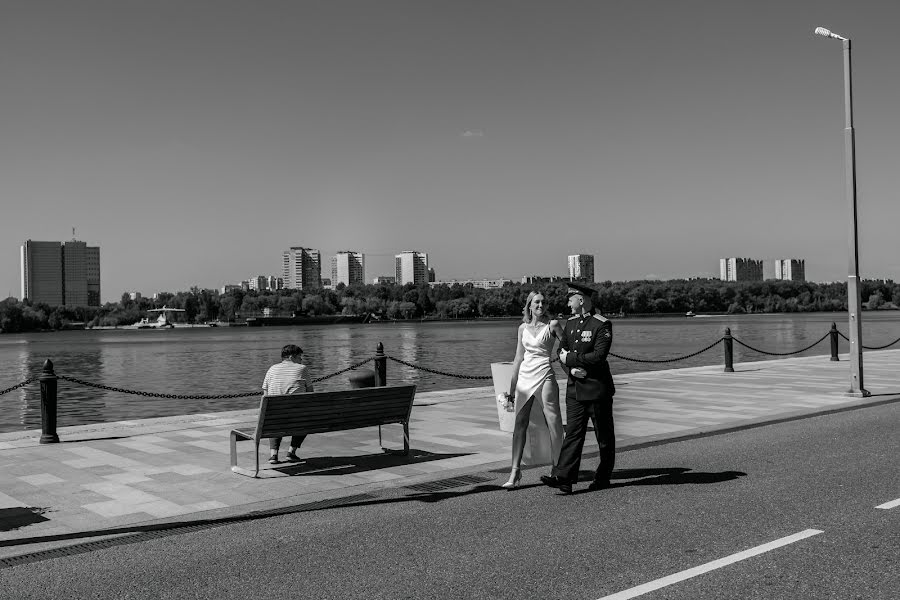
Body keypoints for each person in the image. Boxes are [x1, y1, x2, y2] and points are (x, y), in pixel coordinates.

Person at [541, 282, 616, 494]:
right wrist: (571, 370)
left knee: (604, 437)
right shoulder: (571, 323)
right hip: (575, 388)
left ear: (580, 300)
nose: (567, 303)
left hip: (596, 388)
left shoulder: (602, 324)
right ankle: (564, 478)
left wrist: (572, 359)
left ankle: (603, 477)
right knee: (573, 434)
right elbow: (561, 351)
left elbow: (599, 356)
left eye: (570, 299)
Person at [500, 291, 565, 489]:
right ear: (529, 305)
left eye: (544, 302)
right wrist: (511, 389)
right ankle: (515, 471)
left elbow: (566, 350)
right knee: (519, 424)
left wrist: (572, 370)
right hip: (524, 379)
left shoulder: (552, 325)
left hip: (545, 374)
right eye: (537, 302)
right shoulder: (522, 328)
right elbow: (518, 358)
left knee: (553, 421)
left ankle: (558, 468)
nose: (541, 305)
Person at [261, 344, 313, 464]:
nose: (301, 360)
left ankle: (273, 455)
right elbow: (311, 394)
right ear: (291, 357)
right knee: (306, 418)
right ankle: (291, 452)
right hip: (296, 418)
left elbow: (265, 395)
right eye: (300, 357)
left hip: (274, 418)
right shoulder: (302, 369)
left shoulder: (271, 369)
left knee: (275, 416)